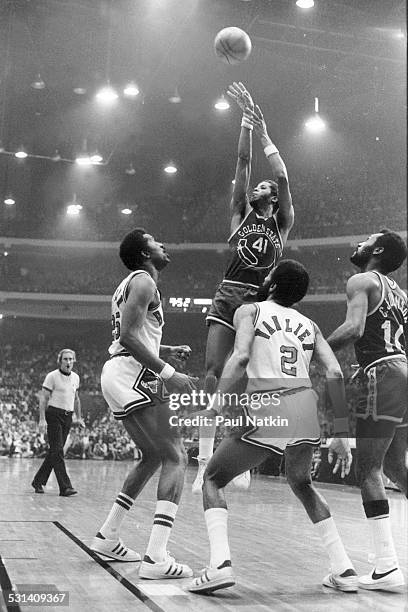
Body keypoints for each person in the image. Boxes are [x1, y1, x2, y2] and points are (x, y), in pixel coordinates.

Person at [186, 259, 357, 594]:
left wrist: (215, 405)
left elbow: (240, 358)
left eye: (268, 275)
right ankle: (344, 568)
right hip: (305, 408)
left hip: (269, 404)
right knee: (302, 483)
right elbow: (335, 373)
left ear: (274, 285)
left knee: (212, 478)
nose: (263, 278)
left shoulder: (250, 311)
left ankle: (219, 565)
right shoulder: (311, 325)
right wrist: (340, 433)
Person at [192, 82, 295, 493]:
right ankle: (202, 462)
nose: (258, 187)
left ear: (272, 194)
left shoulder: (281, 223)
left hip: (258, 303)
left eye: (264, 187)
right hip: (230, 293)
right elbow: (241, 160)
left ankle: (238, 450)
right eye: (258, 186)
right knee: (214, 374)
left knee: (249, 378)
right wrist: (246, 122)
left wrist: (267, 131)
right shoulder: (240, 214)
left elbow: (283, 173)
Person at [91, 228, 197, 579]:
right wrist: (169, 373)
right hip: (134, 373)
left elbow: (135, 333)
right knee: (176, 456)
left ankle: (108, 535)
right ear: (143, 254)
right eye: (154, 240)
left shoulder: (132, 284)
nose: (162, 243)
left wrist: (166, 349)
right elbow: (126, 338)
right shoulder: (144, 282)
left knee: (154, 456)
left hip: (120, 372)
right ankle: (156, 557)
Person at [327, 229, 407, 592]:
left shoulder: (361, 279)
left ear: (376, 250)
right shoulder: (400, 294)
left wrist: (315, 346)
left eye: (365, 240)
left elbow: (354, 328)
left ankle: (387, 565)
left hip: (382, 370)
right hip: (403, 368)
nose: (356, 244)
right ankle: (386, 563)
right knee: (395, 467)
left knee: (369, 469)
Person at [31, 349, 82, 496]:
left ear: (74, 361)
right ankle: (65, 487)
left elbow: (76, 398)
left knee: (55, 451)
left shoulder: (76, 378)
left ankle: (38, 481)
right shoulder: (52, 376)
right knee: (58, 450)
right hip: (53, 415)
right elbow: (43, 398)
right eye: (65, 359)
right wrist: (42, 419)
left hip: (68, 416)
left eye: (71, 359)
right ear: (60, 361)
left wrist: (79, 418)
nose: (68, 362)